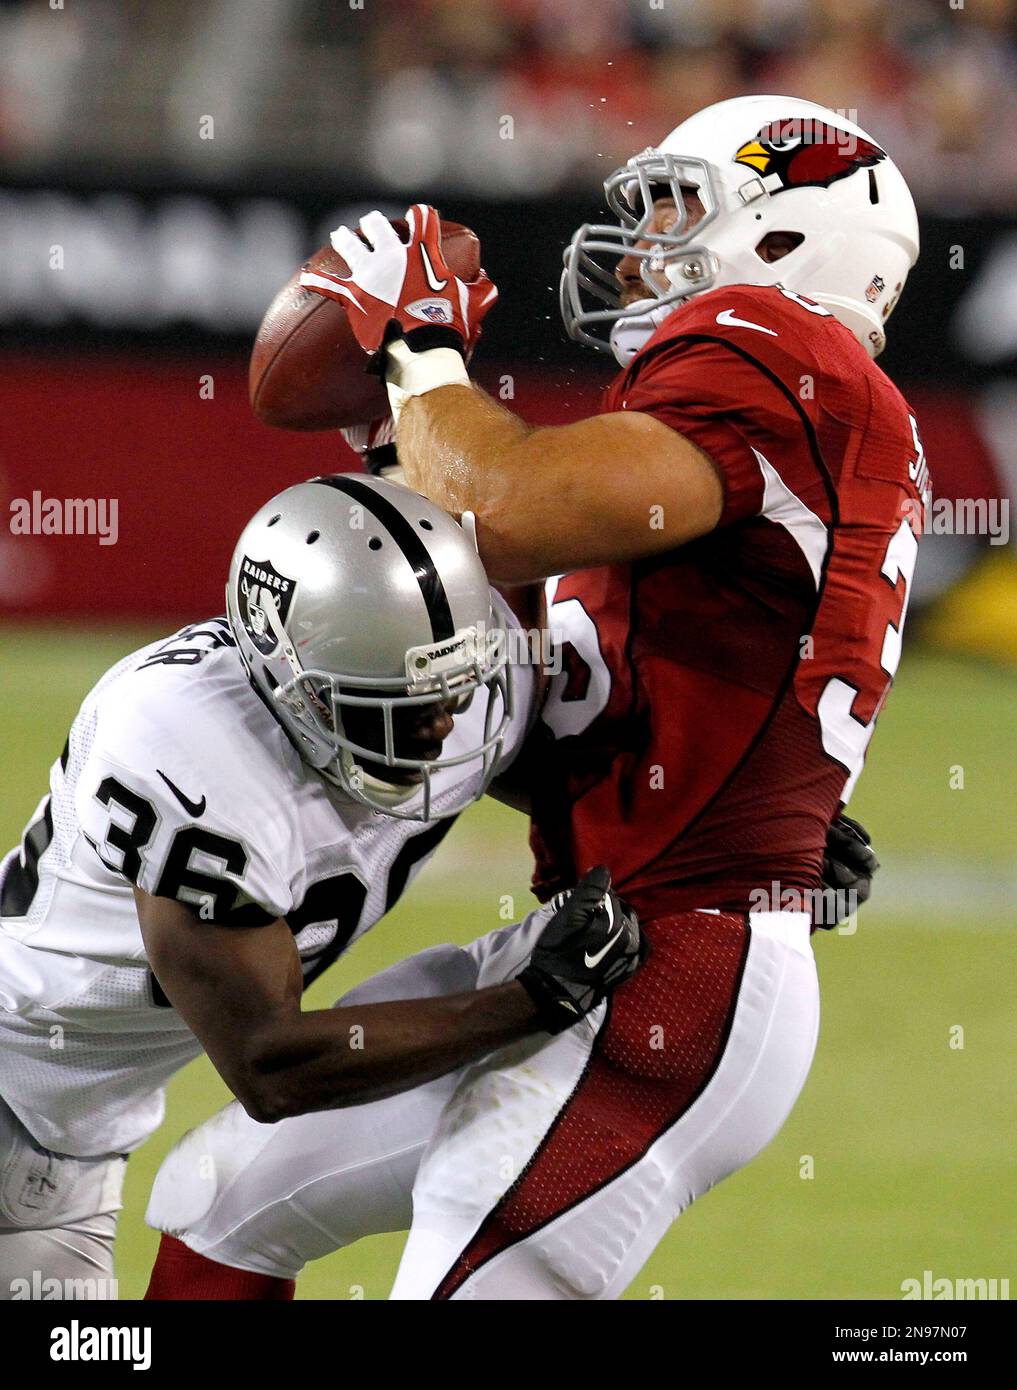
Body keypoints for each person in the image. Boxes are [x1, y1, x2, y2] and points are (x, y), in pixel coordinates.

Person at [143, 94, 905, 1300]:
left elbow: (503, 503)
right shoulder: (739, 418)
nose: (644, 245)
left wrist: (417, 352)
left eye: (677, 210)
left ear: (785, 240)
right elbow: (566, 699)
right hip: (614, 936)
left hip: (679, 973)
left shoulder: (781, 348)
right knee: (226, 1196)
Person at [0, 474, 643, 1299]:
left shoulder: (458, 691)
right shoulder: (183, 748)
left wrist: (766, 842)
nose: (442, 726)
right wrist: (523, 1001)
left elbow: (595, 795)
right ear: (290, 684)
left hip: (70, 1144)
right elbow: (272, 1068)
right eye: (396, 707)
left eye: (449, 690)